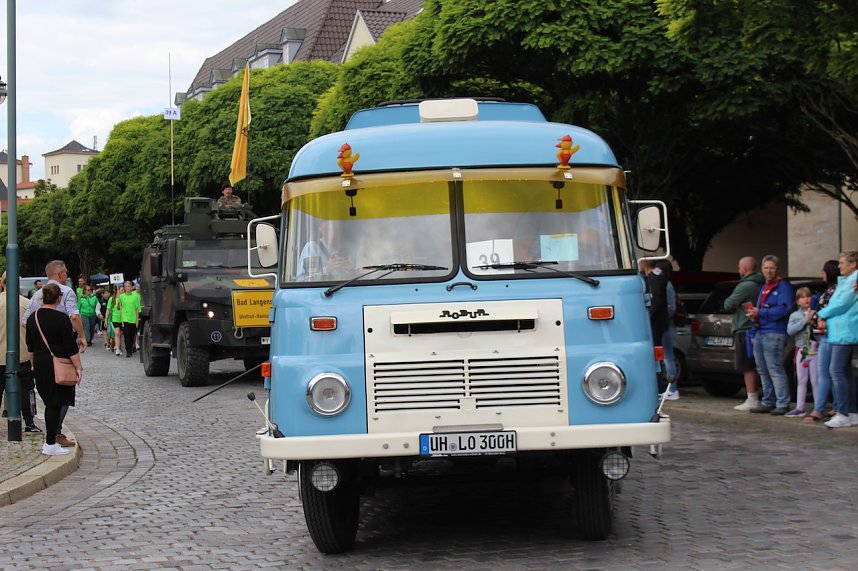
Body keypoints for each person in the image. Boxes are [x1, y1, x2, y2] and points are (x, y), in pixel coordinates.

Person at [22, 260, 86, 448]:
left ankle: (53, 437)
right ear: (59, 274)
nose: (66, 275)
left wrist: (39, 343)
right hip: (60, 354)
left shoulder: (36, 297)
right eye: (65, 272)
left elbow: (25, 323)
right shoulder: (67, 293)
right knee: (62, 392)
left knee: (50, 399)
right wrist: (82, 337)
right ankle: (54, 435)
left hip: (40, 356)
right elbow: (74, 317)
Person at [747, 255, 795, 415]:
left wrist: (760, 312)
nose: (769, 271)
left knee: (774, 368)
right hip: (760, 331)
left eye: (772, 268)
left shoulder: (783, 287)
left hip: (775, 332)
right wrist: (754, 320)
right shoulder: (764, 286)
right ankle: (768, 400)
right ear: (762, 269)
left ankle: (783, 402)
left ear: (778, 269)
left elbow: (784, 309)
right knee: (762, 369)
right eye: (766, 268)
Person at [817, 251, 858, 429]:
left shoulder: (853, 281)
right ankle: (852, 412)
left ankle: (843, 412)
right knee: (845, 373)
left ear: (853, 264)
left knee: (836, 371)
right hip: (839, 331)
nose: (839, 266)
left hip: (844, 331)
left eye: (842, 262)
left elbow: (841, 304)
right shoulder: (846, 281)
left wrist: (821, 314)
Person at [722, 256, 765, 411]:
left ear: (744, 269)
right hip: (757, 328)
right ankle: (763, 396)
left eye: (739, 267)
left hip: (745, 328)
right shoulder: (761, 283)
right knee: (757, 365)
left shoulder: (745, 286)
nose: (739, 270)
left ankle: (752, 398)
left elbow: (728, 304)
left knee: (747, 365)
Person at [0, 273, 41, 433]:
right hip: (23, 354)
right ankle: (29, 422)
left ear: (2, 283)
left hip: (0, 356)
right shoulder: (27, 303)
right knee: (26, 390)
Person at [803, 260, 841, 423]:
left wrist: (814, 316)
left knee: (824, 373)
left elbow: (828, 311)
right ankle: (837, 406)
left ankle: (819, 409)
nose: (821, 273)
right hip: (826, 335)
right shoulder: (834, 289)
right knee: (833, 373)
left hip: (827, 335)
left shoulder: (833, 291)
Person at [785, 288, 818, 416]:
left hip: (815, 349)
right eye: (802, 297)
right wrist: (805, 321)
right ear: (798, 301)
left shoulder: (817, 314)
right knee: (801, 379)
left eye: (808, 296)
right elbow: (790, 330)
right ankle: (800, 407)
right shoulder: (795, 316)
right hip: (802, 349)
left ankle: (818, 407)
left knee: (815, 380)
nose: (806, 299)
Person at [656, 259, 679, 399]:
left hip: (666, 325)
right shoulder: (665, 283)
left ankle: (673, 389)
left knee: (668, 358)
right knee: (665, 358)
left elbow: (671, 307)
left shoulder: (667, 285)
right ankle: (670, 388)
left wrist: (661, 318)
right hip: (665, 325)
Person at [119, 280, 140, 358]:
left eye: (129, 286)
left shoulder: (135, 296)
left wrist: (137, 320)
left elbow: (137, 309)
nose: (127, 288)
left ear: (131, 287)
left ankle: (131, 347)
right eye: (126, 286)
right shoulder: (121, 296)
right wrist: (122, 319)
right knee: (126, 335)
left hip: (133, 318)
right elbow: (120, 307)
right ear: (124, 288)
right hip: (125, 318)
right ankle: (128, 351)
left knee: (132, 335)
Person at [106, 285, 123, 355]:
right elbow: (108, 309)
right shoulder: (111, 299)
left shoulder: (123, 298)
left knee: (120, 334)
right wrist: (106, 319)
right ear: (116, 291)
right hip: (115, 318)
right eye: (121, 290)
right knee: (117, 333)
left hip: (123, 319)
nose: (122, 292)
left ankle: (118, 346)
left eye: (123, 290)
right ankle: (117, 348)